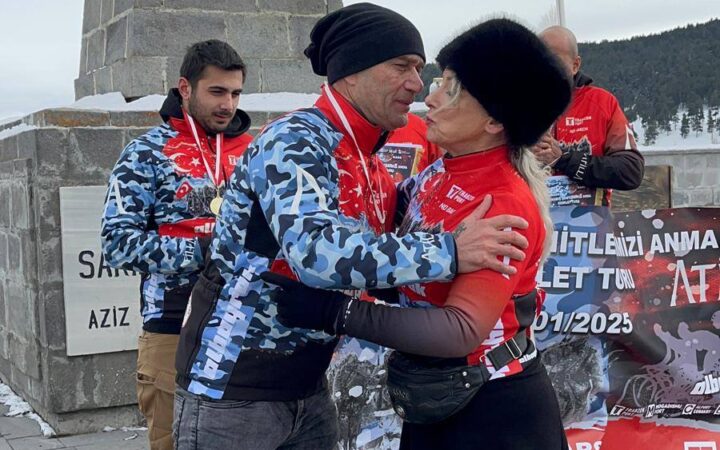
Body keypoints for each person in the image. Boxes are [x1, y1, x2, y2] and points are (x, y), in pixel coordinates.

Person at [173, 4, 530, 450]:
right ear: (352, 73)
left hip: (308, 386)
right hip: (233, 389)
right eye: (401, 66)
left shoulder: (369, 160)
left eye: (419, 69)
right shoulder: (297, 139)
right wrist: (450, 252)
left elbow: (399, 237)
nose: (416, 84)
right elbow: (315, 253)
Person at [264, 18, 573, 450]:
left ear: (493, 120)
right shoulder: (438, 174)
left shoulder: (503, 202)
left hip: (493, 413)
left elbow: (459, 330)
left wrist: (336, 312)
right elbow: (409, 270)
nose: (430, 95)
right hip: (437, 398)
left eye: (450, 88)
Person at [100, 40, 252, 450]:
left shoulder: (254, 152)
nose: (228, 104)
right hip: (173, 330)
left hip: (247, 328)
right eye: (216, 92)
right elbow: (116, 243)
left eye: (235, 93)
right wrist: (201, 250)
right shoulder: (145, 153)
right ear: (185, 88)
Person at [531, 25, 644, 206]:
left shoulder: (602, 104)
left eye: (554, 60)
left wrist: (564, 158)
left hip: (588, 220)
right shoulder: (514, 107)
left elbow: (631, 170)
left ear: (575, 65)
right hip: (531, 218)